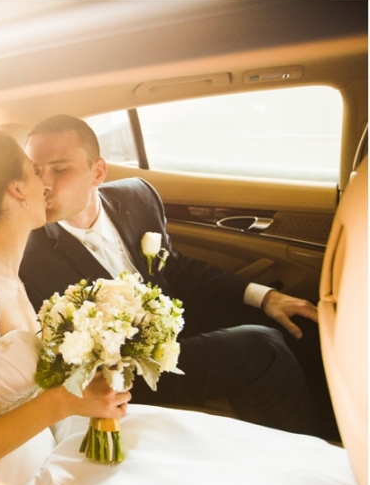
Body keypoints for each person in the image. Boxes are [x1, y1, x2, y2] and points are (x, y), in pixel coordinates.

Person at [0, 130, 359, 485]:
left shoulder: (7, 274)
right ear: (17, 190)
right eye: (33, 171)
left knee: (247, 463)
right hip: (14, 481)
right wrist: (65, 402)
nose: (45, 181)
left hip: (58, 440)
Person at [18, 114, 339, 441]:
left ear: (97, 172)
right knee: (259, 347)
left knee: (299, 325)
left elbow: (173, 268)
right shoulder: (27, 254)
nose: (43, 183)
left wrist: (265, 296)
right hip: (130, 371)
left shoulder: (136, 196)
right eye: (35, 170)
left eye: (60, 170)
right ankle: (318, 458)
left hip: (176, 323)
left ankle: (345, 435)